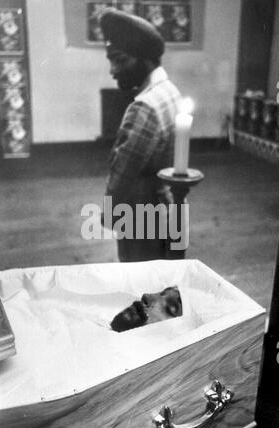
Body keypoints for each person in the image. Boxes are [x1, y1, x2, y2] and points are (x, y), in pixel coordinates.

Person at [100, 8, 183, 262]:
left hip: (140, 215)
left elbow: (124, 173)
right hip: (168, 207)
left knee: (139, 285)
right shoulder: (171, 92)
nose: (113, 71)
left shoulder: (144, 106)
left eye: (120, 60)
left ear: (144, 59)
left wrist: (109, 214)